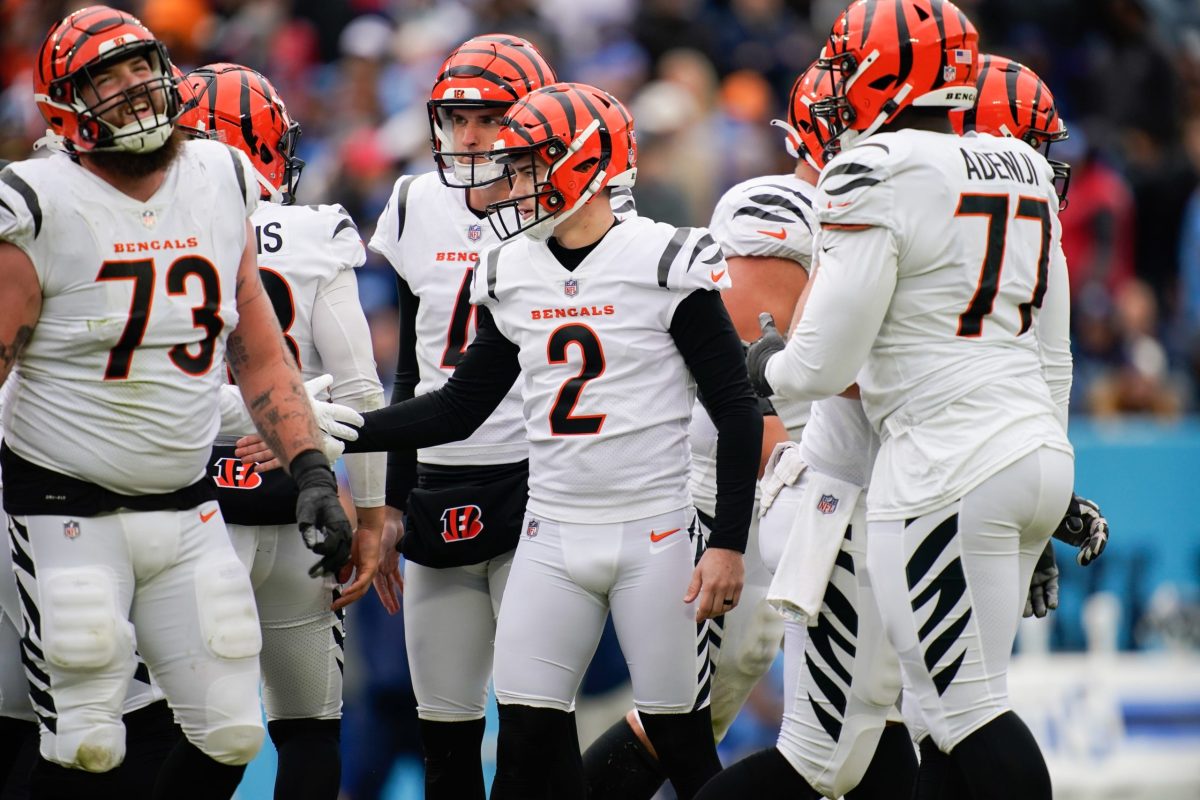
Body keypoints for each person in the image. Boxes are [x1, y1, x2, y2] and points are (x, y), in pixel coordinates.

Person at [339, 81, 762, 799]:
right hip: (551, 532)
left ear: (586, 166)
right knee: (528, 739)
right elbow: (458, 409)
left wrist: (726, 541)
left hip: (653, 533)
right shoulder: (513, 268)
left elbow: (736, 409)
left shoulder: (663, 260)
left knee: (683, 745)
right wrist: (340, 429)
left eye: (532, 165)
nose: (514, 183)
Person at [0, 7, 351, 799]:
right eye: (104, 77)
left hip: (188, 507)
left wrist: (313, 472)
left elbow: (257, 350)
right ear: (65, 103)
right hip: (65, 511)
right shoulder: (36, 204)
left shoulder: (219, 177)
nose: (130, 89)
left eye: (138, 66)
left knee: (230, 735)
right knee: (86, 741)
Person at [737, 2, 1073, 798]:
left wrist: (765, 373)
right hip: (1024, 447)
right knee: (926, 723)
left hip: (934, 467)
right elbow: (1053, 359)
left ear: (890, 71)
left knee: (952, 718)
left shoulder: (874, 168)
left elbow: (821, 363)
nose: (837, 87)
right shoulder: (1021, 168)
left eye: (851, 65)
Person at [581, 61, 825, 799]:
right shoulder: (779, 210)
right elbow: (747, 389)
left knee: (831, 729)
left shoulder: (875, 204)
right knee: (687, 723)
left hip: (775, 486)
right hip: (744, 489)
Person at [178, 62, 386, 800]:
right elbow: (361, 390)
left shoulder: (153, 227)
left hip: (194, 510)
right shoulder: (314, 230)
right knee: (309, 729)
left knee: (195, 731)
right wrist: (373, 510)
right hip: (303, 504)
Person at [364, 35, 559, 800]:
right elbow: (411, 368)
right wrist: (385, 503)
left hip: (540, 479)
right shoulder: (416, 201)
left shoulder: (571, 204)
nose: (470, 136)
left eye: (489, 117)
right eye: (456, 118)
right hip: (436, 481)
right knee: (444, 735)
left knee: (534, 731)